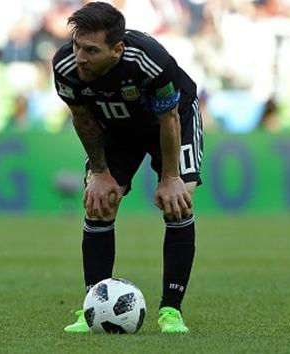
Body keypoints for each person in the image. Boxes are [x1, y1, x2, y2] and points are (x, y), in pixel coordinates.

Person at [52, 2, 203, 334]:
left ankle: (171, 311)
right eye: (78, 46)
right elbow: (83, 119)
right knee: (99, 202)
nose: (80, 57)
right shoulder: (65, 66)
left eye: (92, 50)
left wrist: (170, 177)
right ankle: (92, 305)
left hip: (171, 121)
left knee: (177, 202)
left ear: (117, 50)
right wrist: (100, 172)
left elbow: (169, 118)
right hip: (116, 126)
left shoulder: (150, 61)